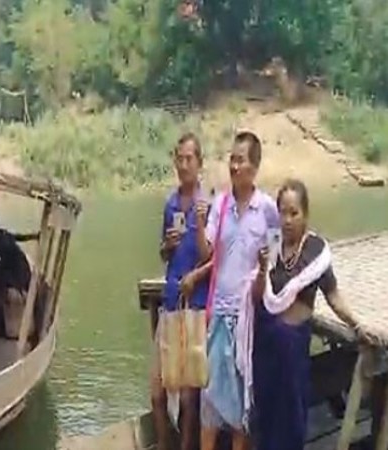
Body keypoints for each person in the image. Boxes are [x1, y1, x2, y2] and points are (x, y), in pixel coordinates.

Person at [251, 179, 378, 450]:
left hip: (292, 347)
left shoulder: (315, 252)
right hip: (265, 346)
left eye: (293, 213)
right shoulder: (272, 244)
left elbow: (333, 296)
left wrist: (356, 325)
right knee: (264, 412)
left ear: (305, 214)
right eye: (282, 212)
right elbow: (256, 295)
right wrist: (261, 269)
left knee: (292, 414)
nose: (287, 220)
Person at [195, 131, 279, 450]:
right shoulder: (221, 204)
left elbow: (274, 253)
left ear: (254, 166)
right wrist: (201, 225)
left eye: (240, 159)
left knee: (241, 404)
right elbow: (206, 254)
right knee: (211, 402)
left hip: (247, 320)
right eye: (231, 158)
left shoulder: (267, 209)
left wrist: (264, 266)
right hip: (219, 314)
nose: (233, 165)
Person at [151, 133, 210, 450]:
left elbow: (214, 258)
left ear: (200, 163)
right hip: (171, 301)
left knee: (189, 397)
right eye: (179, 158)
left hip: (196, 307)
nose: (183, 164)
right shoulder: (170, 203)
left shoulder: (208, 205)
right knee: (157, 390)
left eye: (189, 158)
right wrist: (167, 245)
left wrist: (196, 275)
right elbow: (163, 253)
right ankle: (163, 444)